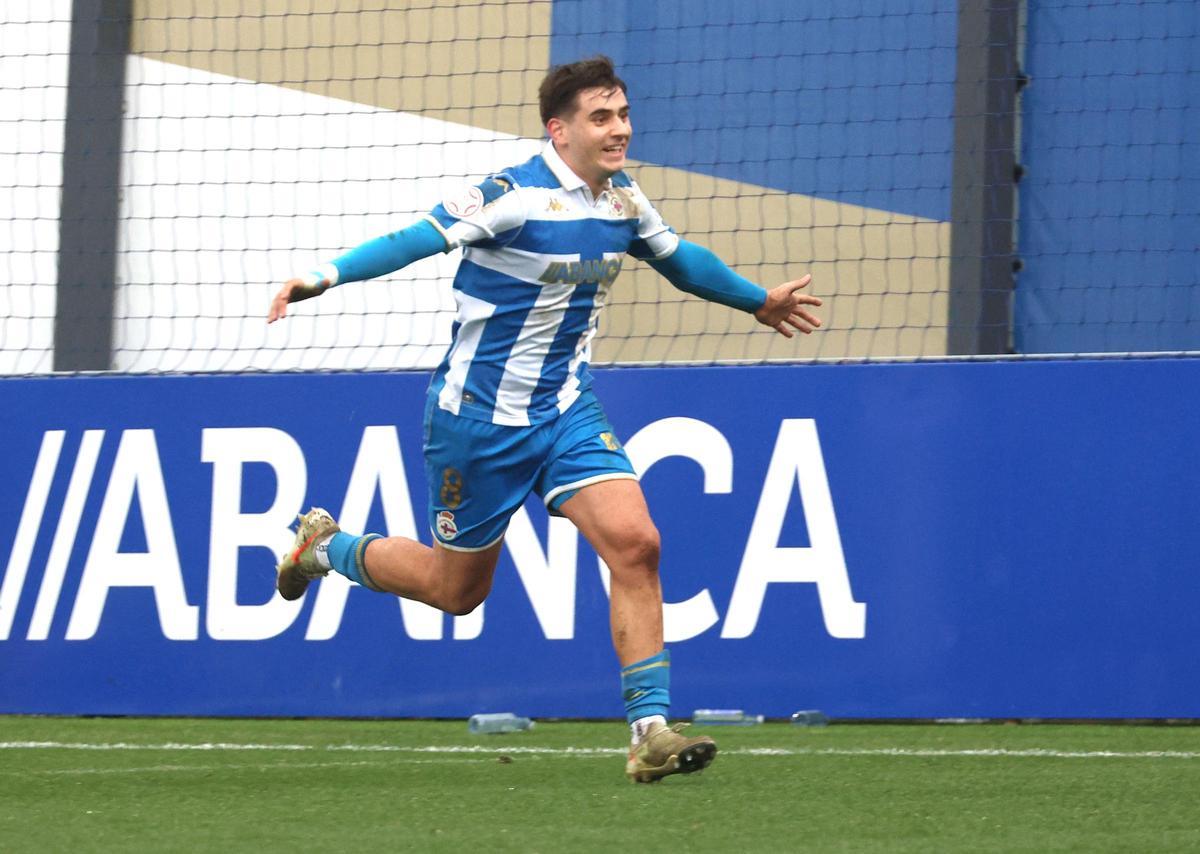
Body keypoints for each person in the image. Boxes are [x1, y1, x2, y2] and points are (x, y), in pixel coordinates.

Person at [267, 55, 822, 783]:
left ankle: (650, 732)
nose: (619, 128)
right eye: (601, 116)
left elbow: (681, 259)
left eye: (622, 113)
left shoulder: (623, 200)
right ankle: (324, 546)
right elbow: (416, 238)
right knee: (455, 592)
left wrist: (757, 301)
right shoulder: (512, 196)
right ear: (558, 131)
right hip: (477, 425)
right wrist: (326, 275)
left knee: (636, 543)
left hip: (564, 409)